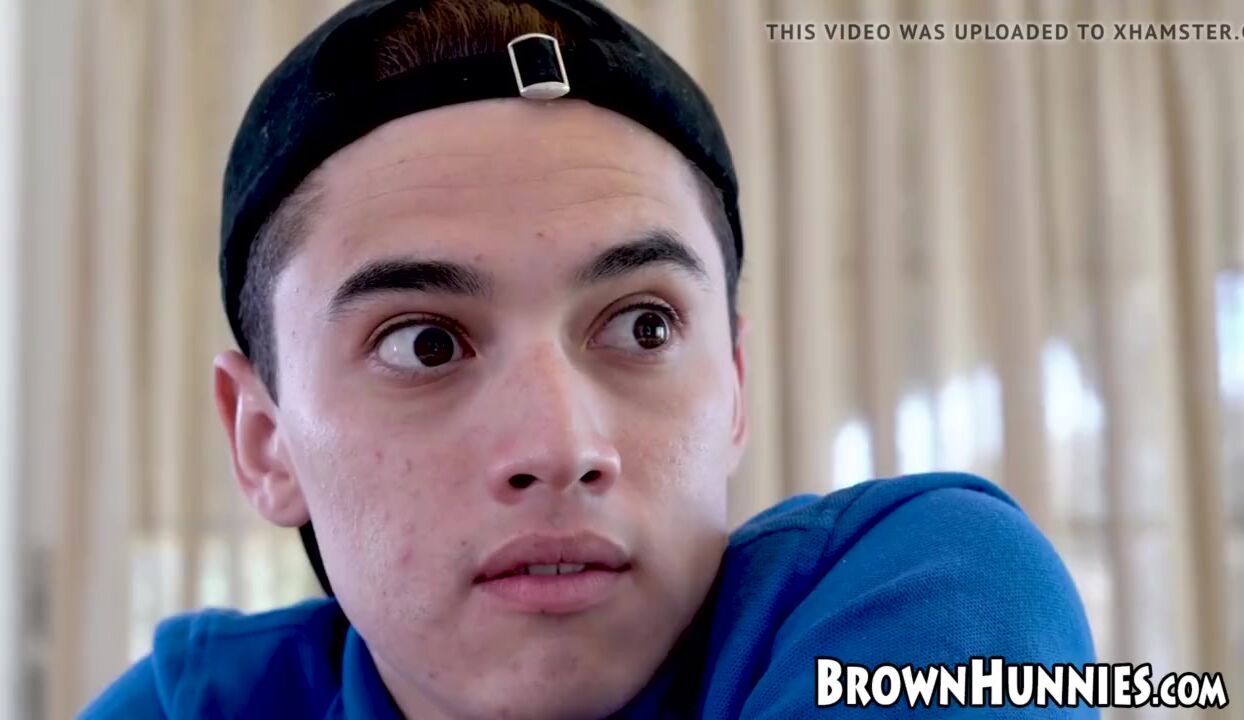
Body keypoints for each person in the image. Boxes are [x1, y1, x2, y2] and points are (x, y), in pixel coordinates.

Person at [81, 0, 1096, 718]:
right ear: (264, 441)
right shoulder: (194, 704)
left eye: (644, 326)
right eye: (424, 343)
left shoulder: (936, 594)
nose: (559, 447)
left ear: (734, 387)